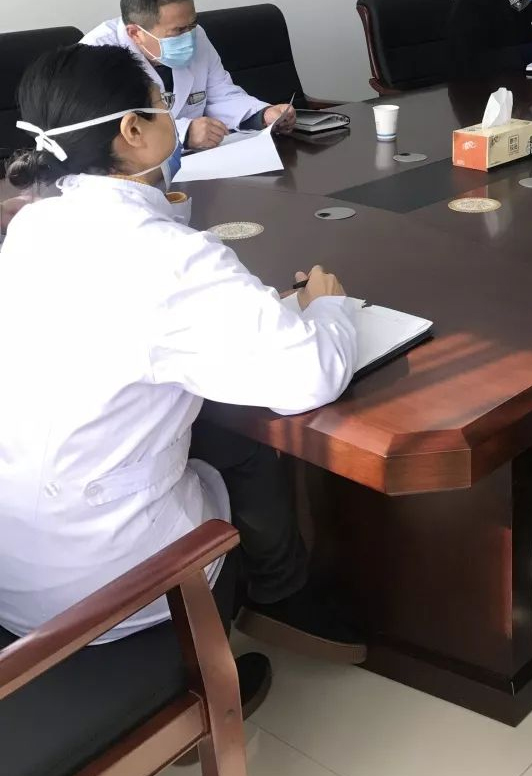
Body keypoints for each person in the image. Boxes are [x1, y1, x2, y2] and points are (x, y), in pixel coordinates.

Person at [0, 43, 367, 698]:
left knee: (223, 431)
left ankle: (275, 594)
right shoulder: (170, 258)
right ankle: (251, 622)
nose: (173, 114)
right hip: (109, 584)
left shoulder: (32, 228)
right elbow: (310, 376)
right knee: (248, 434)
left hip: (20, 561)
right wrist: (329, 306)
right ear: (132, 131)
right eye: (161, 104)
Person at [83, 0, 296, 151]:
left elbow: (220, 94)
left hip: (197, 163)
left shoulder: (197, 35)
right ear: (135, 33)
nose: (189, 36)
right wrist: (183, 134)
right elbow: (109, 131)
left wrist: (263, 114)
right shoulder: (95, 55)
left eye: (192, 24)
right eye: (178, 31)